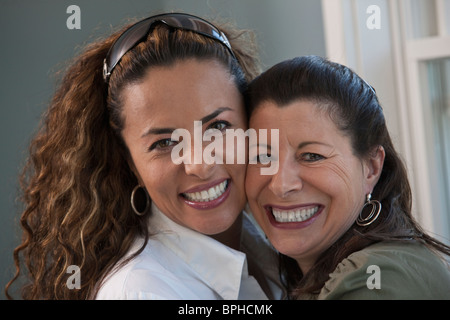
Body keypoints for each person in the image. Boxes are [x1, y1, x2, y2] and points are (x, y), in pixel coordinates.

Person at [5, 13, 283, 300]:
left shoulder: (266, 243)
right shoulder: (141, 292)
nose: (200, 165)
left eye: (218, 127)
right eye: (164, 142)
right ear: (130, 163)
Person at [245, 55, 450, 299]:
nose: (281, 185)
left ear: (371, 168)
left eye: (312, 156)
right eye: (262, 158)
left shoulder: (380, 276)